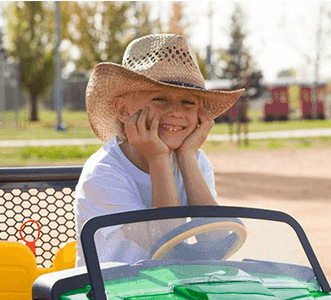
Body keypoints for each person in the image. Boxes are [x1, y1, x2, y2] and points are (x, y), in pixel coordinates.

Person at [74, 34, 244, 265]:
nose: (176, 111)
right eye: (161, 99)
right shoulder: (103, 172)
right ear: (124, 110)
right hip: (111, 293)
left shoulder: (194, 160)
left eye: (188, 102)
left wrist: (186, 157)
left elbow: (215, 239)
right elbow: (165, 244)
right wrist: (159, 158)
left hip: (167, 290)